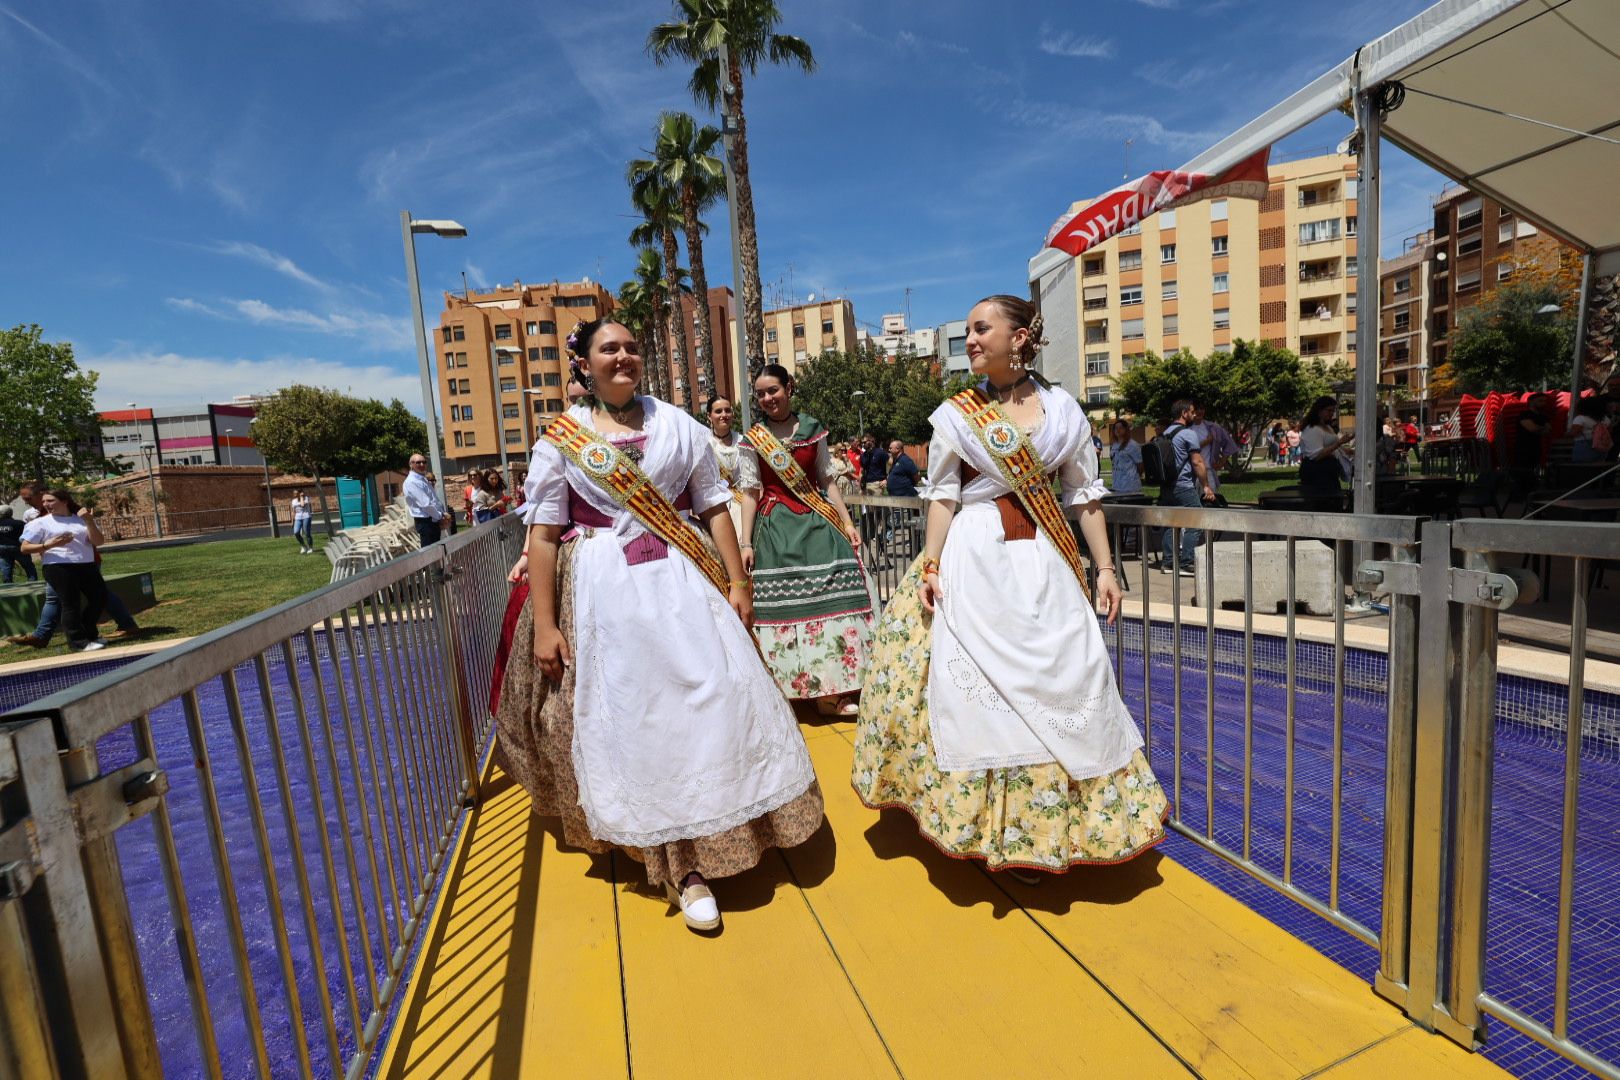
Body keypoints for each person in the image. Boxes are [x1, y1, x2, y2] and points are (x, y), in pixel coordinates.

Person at [493, 318, 823, 934]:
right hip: (602, 592)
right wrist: (544, 624)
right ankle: (678, 864)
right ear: (584, 364)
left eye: (630, 347)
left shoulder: (677, 424)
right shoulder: (561, 440)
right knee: (636, 716)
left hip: (681, 581)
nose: (623, 356)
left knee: (715, 697)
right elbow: (542, 535)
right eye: (608, 349)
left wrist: (738, 583)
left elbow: (714, 505)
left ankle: (729, 827)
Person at [851, 294, 1168, 881]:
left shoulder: (1064, 411)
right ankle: (991, 827)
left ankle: (1053, 827)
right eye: (969, 330)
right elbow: (942, 495)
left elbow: (1083, 496)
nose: (971, 340)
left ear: (1019, 338)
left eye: (982, 329)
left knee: (1067, 680)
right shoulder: (957, 413)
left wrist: (1105, 568)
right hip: (976, 562)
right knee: (974, 695)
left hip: (1045, 564)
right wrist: (930, 563)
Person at [742, 364, 875, 715]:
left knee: (836, 597)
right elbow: (750, 492)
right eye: (761, 394)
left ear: (789, 387)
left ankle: (836, 690)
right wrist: (746, 542)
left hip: (817, 521)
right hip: (775, 529)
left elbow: (827, 480)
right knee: (781, 609)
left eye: (773, 390)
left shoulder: (814, 429)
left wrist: (847, 523)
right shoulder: (754, 438)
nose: (768, 398)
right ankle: (790, 691)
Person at [19, 490, 108, 652]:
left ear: (65, 501)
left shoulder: (81, 520)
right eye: (44, 501)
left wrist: (89, 521)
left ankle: (89, 634)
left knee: (99, 598)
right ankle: (78, 642)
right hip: (58, 567)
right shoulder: (40, 523)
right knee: (71, 604)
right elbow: (24, 548)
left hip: (86, 565)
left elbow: (98, 541)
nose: (46, 504)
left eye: (50, 500)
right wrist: (49, 545)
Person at [1158, 399, 1214, 575]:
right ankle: (1186, 562)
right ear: (1184, 413)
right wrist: (1206, 486)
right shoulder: (1188, 434)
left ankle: (1168, 563)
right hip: (1183, 485)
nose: (1194, 414)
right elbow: (1197, 462)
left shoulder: (1165, 433)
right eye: (1192, 411)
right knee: (1195, 521)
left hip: (1166, 486)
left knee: (1170, 523)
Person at [705, 396, 761, 540]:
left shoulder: (743, 441)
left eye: (727, 410)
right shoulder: (704, 444)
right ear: (709, 416)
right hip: (716, 507)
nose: (724, 415)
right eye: (718, 411)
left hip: (745, 504)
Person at [1298, 396, 1355, 497]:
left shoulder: (1327, 427)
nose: (1331, 413)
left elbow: (1336, 448)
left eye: (1333, 411)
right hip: (1317, 472)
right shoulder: (1312, 429)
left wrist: (1349, 450)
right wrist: (1339, 443)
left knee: (1334, 498)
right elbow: (1317, 455)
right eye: (1328, 410)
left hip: (1329, 471)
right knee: (1324, 500)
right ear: (1319, 410)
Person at [404, 453, 450, 545]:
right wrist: (440, 515)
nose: (422, 464)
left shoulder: (421, 479)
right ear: (411, 464)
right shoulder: (412, 482)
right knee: (431, 552)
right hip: (426, 523)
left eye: (424, 462)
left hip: (432, 521)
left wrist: (442, 514)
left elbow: (434, 500)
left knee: (437, 550)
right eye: (418, 462)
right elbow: (425, 504)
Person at [0, 506, 37, 583]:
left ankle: (8, 585)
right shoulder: (19, 523)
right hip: (18, 547)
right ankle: (33, 582)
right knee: (28, 566)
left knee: (6, 568)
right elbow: (28, 535)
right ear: (11, 513)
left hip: (2, 548)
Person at [1109, 420, 1144, 495]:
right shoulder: (1114, 445)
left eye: (1120, 428)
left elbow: (1140, 465)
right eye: (1116, 428)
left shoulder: (1133, 445)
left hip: (1130, 486)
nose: (1118, 430)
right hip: (1117, 485)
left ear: (1126, 429)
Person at [1569, 396, 1606, 463]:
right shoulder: (1605, 419)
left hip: (1584, 447)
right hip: (1602, 448)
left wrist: (1566, 433)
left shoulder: (1580, 418)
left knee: (1581, 467)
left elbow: (1574, 433)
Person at [291, 490, 313, 554]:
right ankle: (304, 546)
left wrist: (301, 497)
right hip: (297, 518)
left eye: (296, 493)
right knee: (296, 532)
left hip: (306, 517)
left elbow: (302, 505)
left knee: (307, 533)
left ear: (299, 493)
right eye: (294, 493)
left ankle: (310, 548)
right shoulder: (293, 501)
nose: (295, 494)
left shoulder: (306, 498)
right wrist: (292, 521)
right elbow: (293, 511)